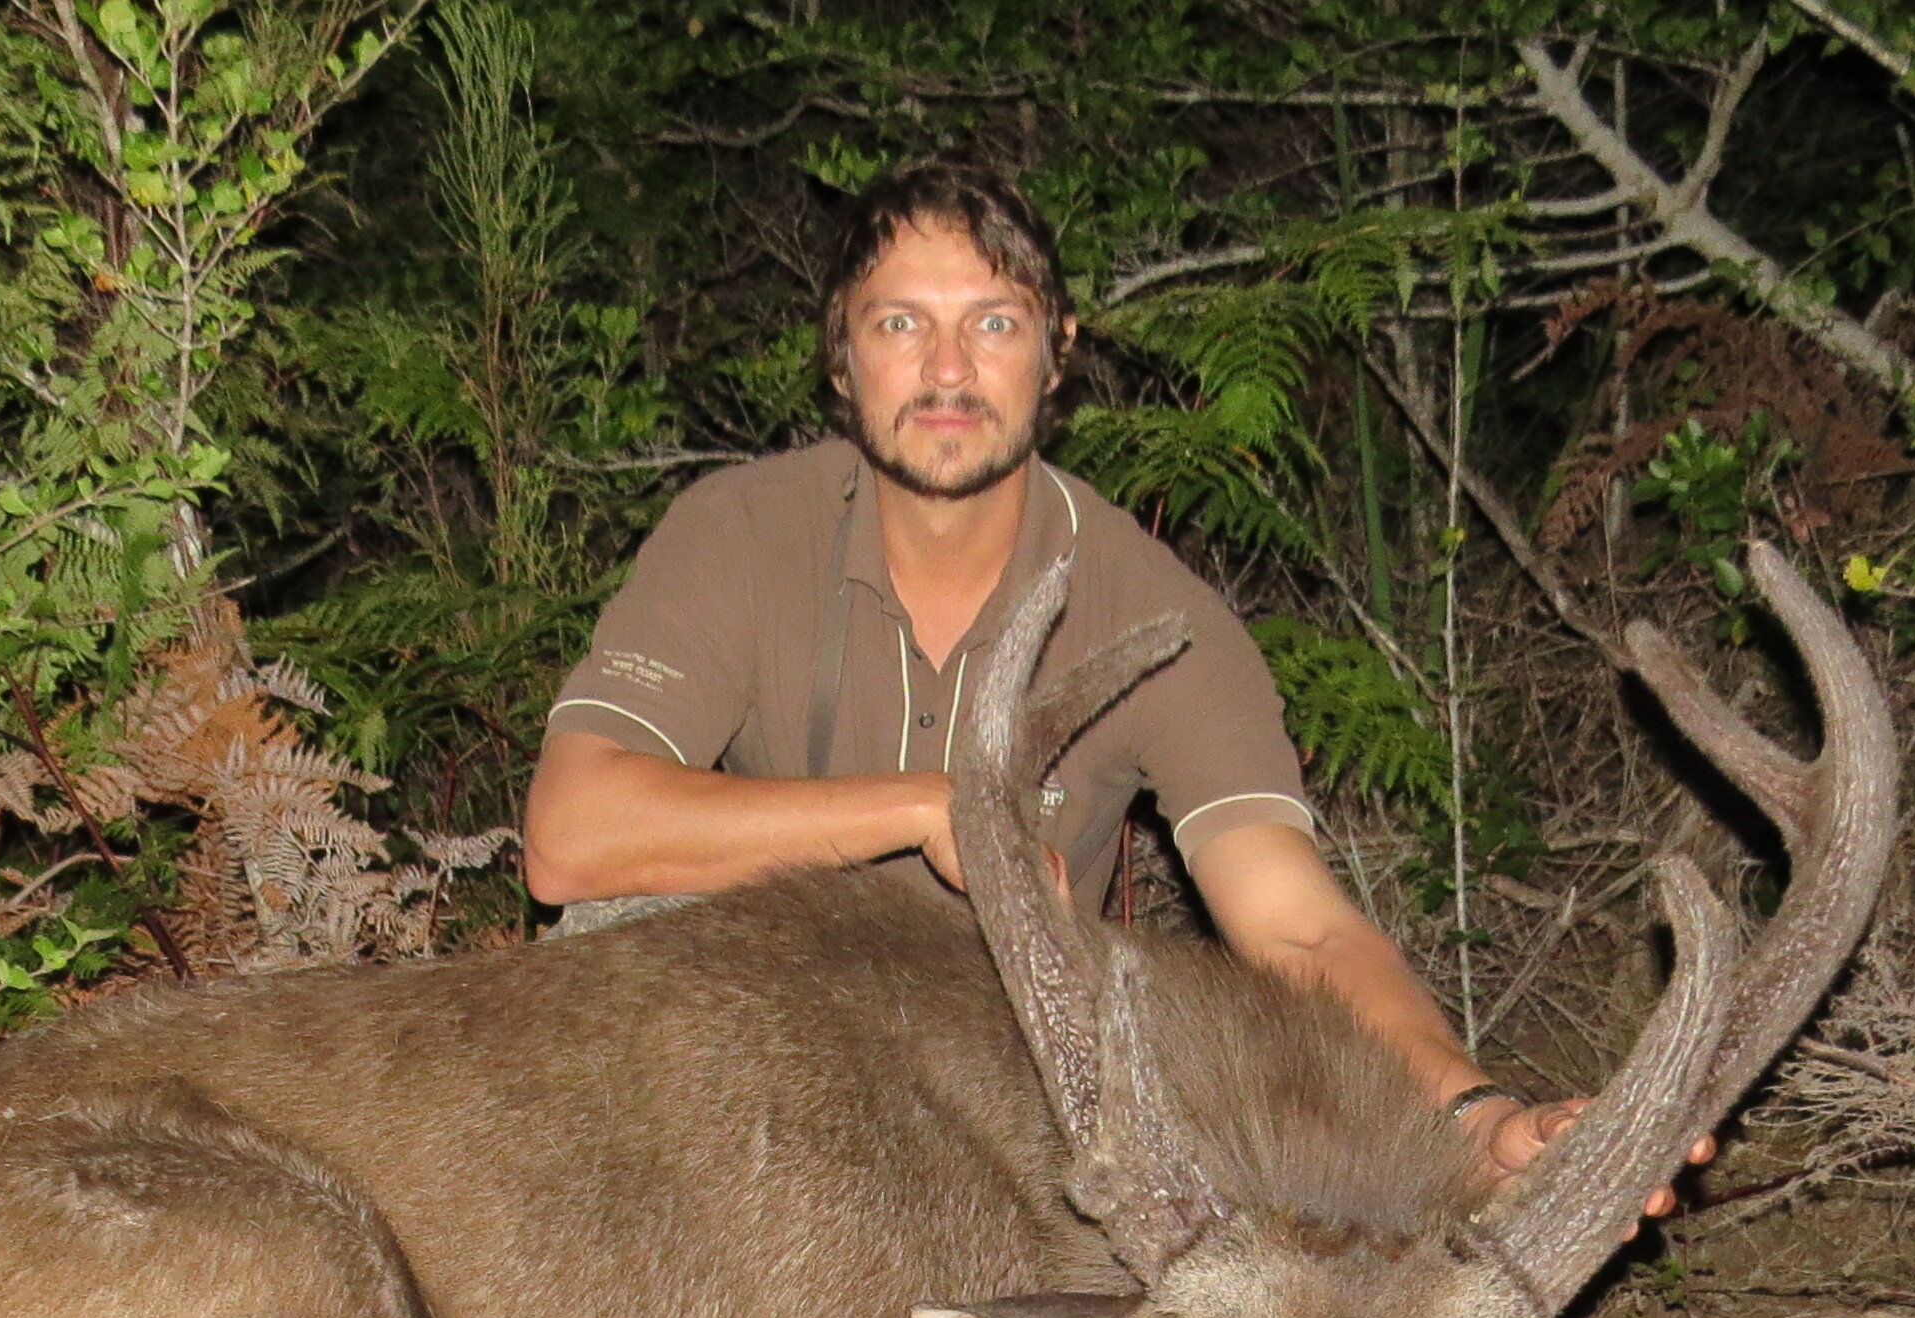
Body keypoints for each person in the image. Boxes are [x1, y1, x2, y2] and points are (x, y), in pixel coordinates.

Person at [526, 159, 1689, 1191]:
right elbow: (571, 834)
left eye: (992, 324)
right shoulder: (738, 531)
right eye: (897, 326)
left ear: (1057, 354)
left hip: (1004, 1069)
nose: (944, 369)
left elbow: (1302, 932)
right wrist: (933, 807)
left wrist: (1473, 1117)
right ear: (841, 356)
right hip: (754, 1025)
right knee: (615, 931)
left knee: (1227, 1077)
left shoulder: (1155, 610)